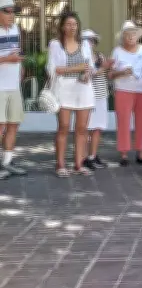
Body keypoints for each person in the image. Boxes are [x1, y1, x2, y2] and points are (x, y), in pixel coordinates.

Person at [47, 12, 95, 177]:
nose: (72, 27)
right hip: (63, 88)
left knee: (82, 128)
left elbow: (90, 66)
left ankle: (78, 164)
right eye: (68, 24)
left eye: (74, 24)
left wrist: (86, 73)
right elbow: (53, 69)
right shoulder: (55, 44)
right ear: (62, 26)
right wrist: (76, 68)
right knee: (64, 127)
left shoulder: (85, 44)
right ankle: (60, 164)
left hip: (83, 88)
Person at [111, 21, 142, 167]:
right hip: (123, 90)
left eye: (133, 34)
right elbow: (110, 74)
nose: (131, 37)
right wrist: (122, 72)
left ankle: (141, 153)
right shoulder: (117, 51)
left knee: (141, 121)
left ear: (137, 36)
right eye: (128, 34)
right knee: (123, 121)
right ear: (123, 36)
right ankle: (124, 154)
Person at [0, 0, 26, 180]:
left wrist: (20, 66)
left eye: (13, 12)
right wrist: (8, 59)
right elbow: (9, 57)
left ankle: (7, 162)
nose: (11, 15)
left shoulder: (16, 29)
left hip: (14, 86)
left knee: (13, 124)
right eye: (7, 11)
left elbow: (17, 50)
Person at [82, 29, 113, 170]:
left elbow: (106, 73)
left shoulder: (100, 56)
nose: (91, 43)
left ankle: (92, 156)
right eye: (87, 40)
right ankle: (83, 157)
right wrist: (103, 68)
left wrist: (109, 67)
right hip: (87, 96)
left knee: (98, 127)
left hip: (101, 95)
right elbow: (87, 75)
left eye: (92, 40)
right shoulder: (82, 57)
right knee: (86, 128)